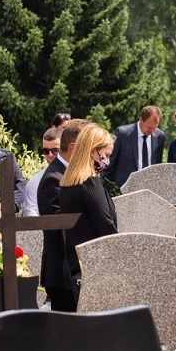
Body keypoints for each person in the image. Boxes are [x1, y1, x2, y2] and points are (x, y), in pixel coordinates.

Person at [57, 124, 119, 302]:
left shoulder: (68, 183)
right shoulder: (90, 182)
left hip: (74, 265)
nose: (106, 160)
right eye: (105, 155)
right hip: (94, 265)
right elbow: (105, 224)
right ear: (92, 151)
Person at [38, 119, 84, 312]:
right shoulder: (54, 178)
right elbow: (62, 227)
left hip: (74, 270)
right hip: (63, 274)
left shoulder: (72, 173)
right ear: (74, 148)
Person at [109, 106, 166, 187]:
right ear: (141, 119)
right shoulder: (123, 134)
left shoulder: (159, 136)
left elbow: (158, 165)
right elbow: (109, 163)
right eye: (149, 127)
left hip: (150, 188)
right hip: (125, 188)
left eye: (155, 127)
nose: (152, 131)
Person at [21, 128, 61, 217]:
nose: (50, 155)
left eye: (55, 150)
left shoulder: (77, 174)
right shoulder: (35, 181)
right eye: (46, 151)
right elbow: (32, 213)